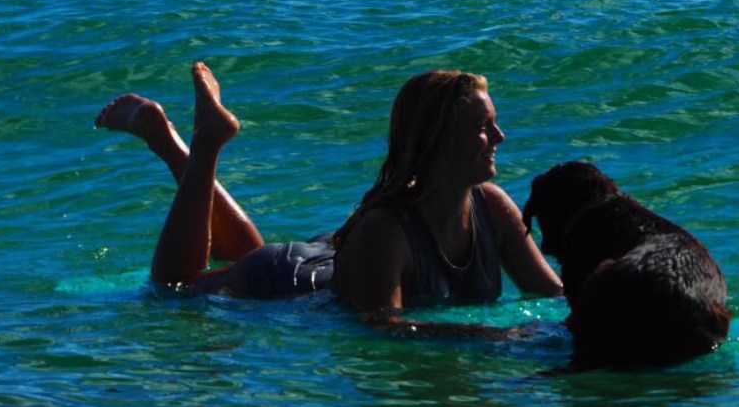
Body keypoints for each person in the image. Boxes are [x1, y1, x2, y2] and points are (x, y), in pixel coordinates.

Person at [95, 62, 563, 316]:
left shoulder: (493, 207)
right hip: (284, 278)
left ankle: (176, 141)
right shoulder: (388, 230)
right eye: (483, 127)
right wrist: (491, 340)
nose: (500, 137)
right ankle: (202, 144)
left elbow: (553, 294)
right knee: (175, 289)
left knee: (236, 257)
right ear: (439, 138)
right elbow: (384, 330)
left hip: (324, 258)